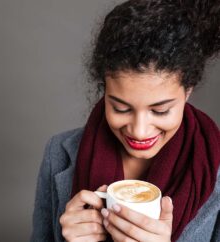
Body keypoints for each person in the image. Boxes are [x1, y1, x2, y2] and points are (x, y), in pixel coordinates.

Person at [31, 0, 220, 241]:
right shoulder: (58, 153)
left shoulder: (217, 170)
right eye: (120, 108)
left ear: (188, 91)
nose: (139, 132)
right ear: (104, 90)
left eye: (160, 111)